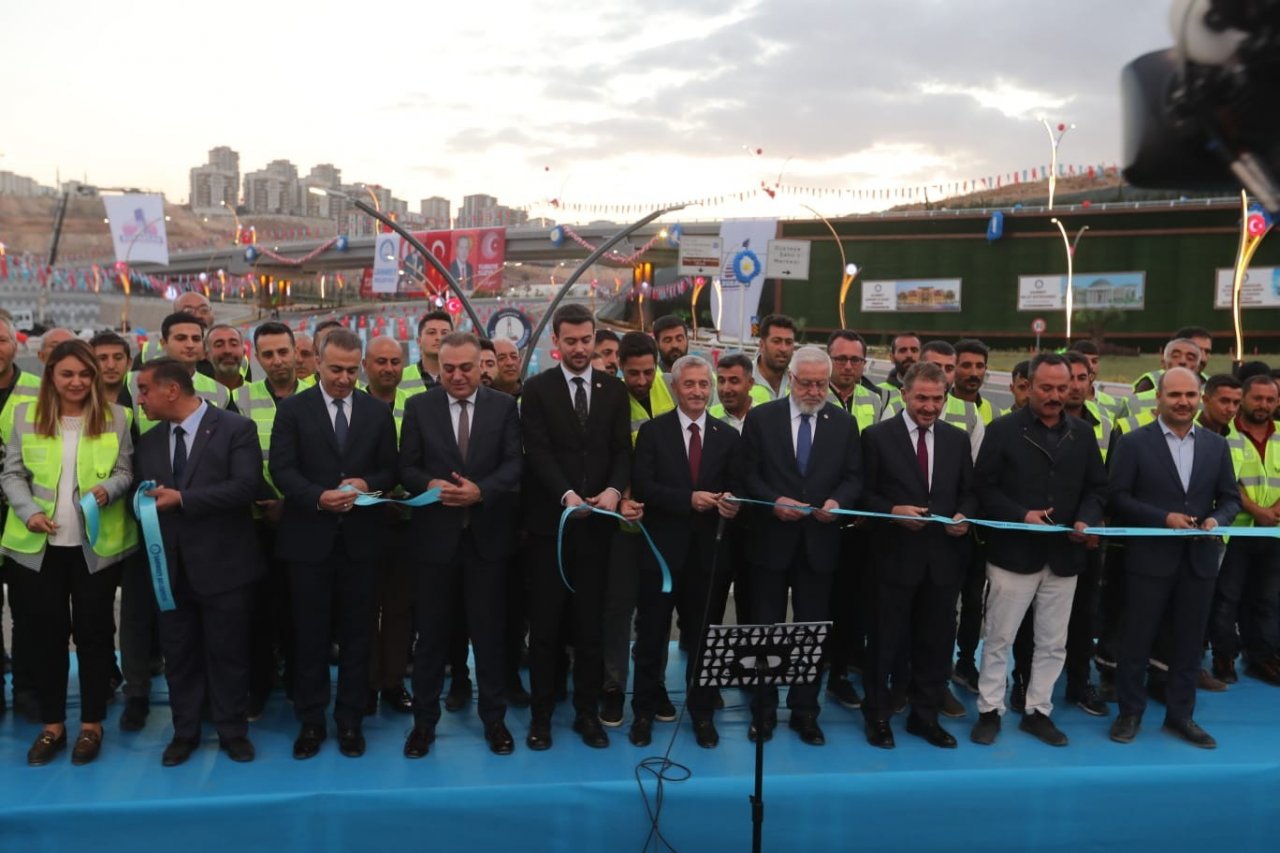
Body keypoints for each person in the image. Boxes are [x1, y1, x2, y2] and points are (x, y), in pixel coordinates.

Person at [1, 340, 135, 765]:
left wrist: (108, 488)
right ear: (51, 376)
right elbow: (12, 473)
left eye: (84, 374)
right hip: (38, 549)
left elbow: (125, 470)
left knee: (95, 636)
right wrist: (28, 512)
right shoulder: (24, 415)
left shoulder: (118, 417)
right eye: (67, 374)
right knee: (46, 637)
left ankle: (92, 724)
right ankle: (53, 725)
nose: (77, 382)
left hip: (95, 548)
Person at [269, 329, 399, 759]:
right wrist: (317, 497)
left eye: (350, 370)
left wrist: (368, 484)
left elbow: (391, 470)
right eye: (335, 370)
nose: (343, 378)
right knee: (309, 637)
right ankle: (311, 721)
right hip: (308, 543)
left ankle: (350, 722)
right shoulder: (293, 410)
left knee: (359, 636)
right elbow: (282, 470)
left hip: (363, 544)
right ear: (317, 365)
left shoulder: (376, 412)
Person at [969, 354, 1107, 748]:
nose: (1055, 396)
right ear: (1028, 386)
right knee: (999, 637)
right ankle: (990, 709)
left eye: (1062, 388)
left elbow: (1097, 488)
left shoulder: (1083, 434)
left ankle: (1038, 711)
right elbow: (983, 488)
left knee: (1052, 641)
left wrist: (1086, 519)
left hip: (1064, 556)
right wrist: (1021, 515)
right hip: (1014, 555)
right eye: (1046, 388)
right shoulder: (1003, 430)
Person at [132, 357, 263, 766]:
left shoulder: (236, 428)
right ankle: (184, 732)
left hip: (225, 568)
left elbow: (245, 487)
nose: (140, 400)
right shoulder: (149, 441)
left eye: (145, 390)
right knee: (179, 656)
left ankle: (232, 731)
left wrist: (184, 499)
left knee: (228, 655)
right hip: (169, 572)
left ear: (172, 390)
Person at [400, 332, 523, 757]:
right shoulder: (419, 407)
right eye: (447, 368)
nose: (456, 376)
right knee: (431, 639)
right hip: (434, 544)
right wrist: (428, 484)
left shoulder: (503, 407)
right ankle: (424, 725)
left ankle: (494, 720)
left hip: (487, 542)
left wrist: (481, 491)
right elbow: (406, 467)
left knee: (489, 637)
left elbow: (514, 465)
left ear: (481, 365)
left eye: (465, 368)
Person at [1108, 367, 1240, 748]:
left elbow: (1230, 498)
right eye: (1175, 395)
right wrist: (1163, 518)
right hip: (1149, 560)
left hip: (1198, 562)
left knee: (1189, 644)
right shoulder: (1133, 443)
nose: (1183, 402)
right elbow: (1117, 498)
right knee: (1136, 641)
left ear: (1200, 398)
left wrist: (1217, 519)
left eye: (1190, 395)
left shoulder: (1216, 446)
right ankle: (1129, 713)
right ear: (1159, 399)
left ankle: (1181, 716)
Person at [519, 303, 631, 750]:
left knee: (590, 627)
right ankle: (541, 715)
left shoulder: (614, 390)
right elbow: (537, 452)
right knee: (546, 627)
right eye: (571, 341)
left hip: (599, 528)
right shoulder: (537, 390)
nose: (580, 348)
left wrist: (614, 491)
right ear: (556, 343)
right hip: (551, 529)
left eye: (586, 340)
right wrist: (566, 494)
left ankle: (587, 713)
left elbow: (621, 450)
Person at [740, 345, 862, 746]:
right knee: (766, 629)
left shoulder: (843, 423)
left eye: (821, 384)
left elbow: (854, 476)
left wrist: (838, 503)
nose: (814, 391)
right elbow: (748, 475)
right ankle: (763, 710)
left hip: (819, 544)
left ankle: (805, 711)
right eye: (806, 383)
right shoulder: (762, 418)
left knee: (811, 631)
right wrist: (773, 501)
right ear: (791, 379)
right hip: (771, 542)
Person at [860, 362, 976, 749]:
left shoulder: (957, 440)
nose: (929, 406)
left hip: (942, 562)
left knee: (936, 644)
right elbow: (863, 495)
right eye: (922, 398)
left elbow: (968, 492)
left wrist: (963, 516)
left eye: (937, 399)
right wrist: (893, 511)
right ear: (904, 394)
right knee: (883, 643)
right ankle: (877, 716)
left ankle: (924, 717)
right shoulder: (877, 437)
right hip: (892, 560)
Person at [630, 355, 740, 749]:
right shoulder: (653, 432)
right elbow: (644, 485)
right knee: (651, 638)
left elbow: (738, 486)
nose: (697, 391)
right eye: (689, 384)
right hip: (661, 556)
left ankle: (702, 714)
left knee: (704, 639)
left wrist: (732, 503)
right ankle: (643, 712)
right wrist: (687, 499)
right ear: (675, 387)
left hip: (708, 558)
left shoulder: (728, 436)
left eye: (703, 384)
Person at [600, 332, 674, 728]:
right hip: (621, 525)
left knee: (656, 612)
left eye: (648, 372)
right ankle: (613, 686)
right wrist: (622, 497)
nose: (642, 380)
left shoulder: (672, 389)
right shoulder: (610, 398)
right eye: (634, 373)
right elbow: (610, 454)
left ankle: (654, 682)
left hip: (663, 521)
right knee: (617, 610)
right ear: (620, 368)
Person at [233, 322, 303, 719]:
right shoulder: (240, 399)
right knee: (257, 611)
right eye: (268, 354)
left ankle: (298, 682)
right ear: (257, 358)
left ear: (295, 352)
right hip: (256, 522)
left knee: (301, 609)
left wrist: (291, 504)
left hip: (307, 519)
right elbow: (239, 458)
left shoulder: (318, 394)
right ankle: (258, 686)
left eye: (283, 352)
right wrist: (268, 501)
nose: (277, 361)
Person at [1209, 374, 1280, 686]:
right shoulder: (1225, 436)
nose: (1263, 405)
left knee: (1268, 599)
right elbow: (1225, 482)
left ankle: (1262, 657)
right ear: (1244, 400)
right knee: (1227, 597)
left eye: (1270, 399)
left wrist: (1273, 513)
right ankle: (1223, 656)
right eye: (1257, 398)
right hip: (1236, 531)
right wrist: (1257, 511)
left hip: (1274, 533)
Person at [359, 336, 415, 715]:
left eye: (395, 362)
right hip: (361, 521)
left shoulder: (416, 405)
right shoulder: (352, 407)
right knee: (361, 608)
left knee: (399, 609)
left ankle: (393, 681)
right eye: (381, 361)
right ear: (365, 365)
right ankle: (365, 682)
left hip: (406, 522)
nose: (388, 369)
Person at [0, 318, 49, 718]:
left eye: (1, 339)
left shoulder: (39, 389)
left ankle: (28, 690)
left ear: (15, 344)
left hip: (25, 515)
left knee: (29, 611)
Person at [126, 313, 231, 432]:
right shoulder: (131, 383)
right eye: (181, 338)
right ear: (163, 343)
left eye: (196, 339)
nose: (190, 345)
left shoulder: (222, 392)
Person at [401, 311, 453, 395]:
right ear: (419, 341)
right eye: (431, 332)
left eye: (444, 333)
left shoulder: (462, 376)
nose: (439, 338)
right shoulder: (401, 378)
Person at [752, 314, 797, 401]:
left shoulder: (798, 380)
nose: (783, 349)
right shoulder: (743, 378)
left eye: (788, 342)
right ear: (762, 345)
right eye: (776, 341)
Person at [707, 352, 755, 432]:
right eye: (721, 381)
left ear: (750, 383)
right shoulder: (707, 417)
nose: (726, 389)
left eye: (734, 381)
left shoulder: (766, 416)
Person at [206, 324, 247, 393]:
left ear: (244, 352)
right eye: (219, 345)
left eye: (234, 344)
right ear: (207, 355)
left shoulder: (259, 392)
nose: (227, 351)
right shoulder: (195, 394)